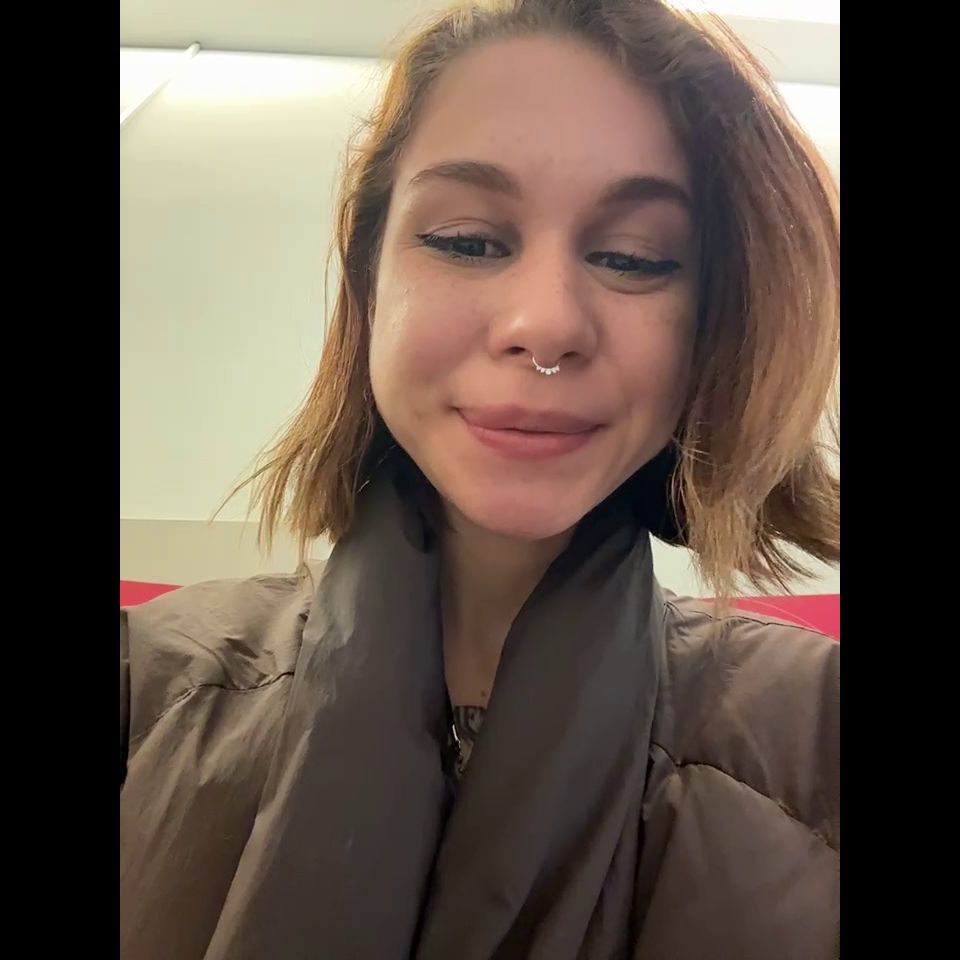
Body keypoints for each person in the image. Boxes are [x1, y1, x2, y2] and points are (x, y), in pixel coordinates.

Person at [120, 1, 840, 957]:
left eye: (634, 258)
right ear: (368, 285)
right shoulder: (145, 686)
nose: (545, 324)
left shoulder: (816, 735)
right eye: (467, 241)